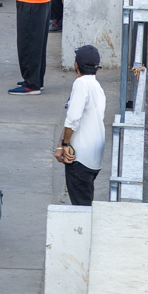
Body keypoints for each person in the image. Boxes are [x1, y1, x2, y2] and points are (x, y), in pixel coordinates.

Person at [56, 45, 107, 205]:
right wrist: (60, 145)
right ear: (97, 68)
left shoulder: (81, 84)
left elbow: (72, 119)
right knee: (85, 202)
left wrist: (64, 145)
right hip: (94, 158)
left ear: (76, 64)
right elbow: (74, 119)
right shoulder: (97, 87)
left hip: (80, 158)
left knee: (81, 209)